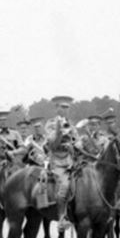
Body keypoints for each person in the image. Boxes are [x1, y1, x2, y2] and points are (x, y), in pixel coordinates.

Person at [44, 96, 78, 229]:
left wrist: (73, 145)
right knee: (63, 186)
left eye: (67, 107)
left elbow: (77, 141)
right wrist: (59, 130)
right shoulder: (50, 124)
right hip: (57, 161)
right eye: (62, 107)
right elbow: (52, 144)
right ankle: (61, 217)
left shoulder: (70, 124)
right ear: (56, 107)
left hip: (71, 160)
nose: (65, 110)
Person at [100, 109, 120, 214]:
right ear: (105, 124)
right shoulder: (102, 134)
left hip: (116, 165)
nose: (110, 125)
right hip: (102, 164)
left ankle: (119, 202)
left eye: (112, 123)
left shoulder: (119, 135)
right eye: (108, 123)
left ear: (115, 123)